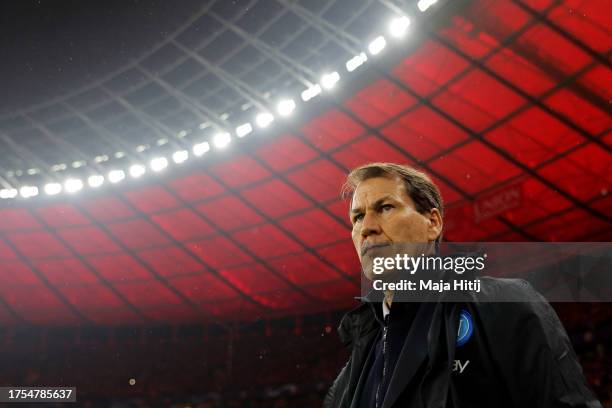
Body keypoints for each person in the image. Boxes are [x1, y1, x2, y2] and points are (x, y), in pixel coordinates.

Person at [323, 162, 601, 408]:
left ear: (433, 222)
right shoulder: (350, 374)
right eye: (357, 216)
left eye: (385, 207)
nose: (366, 227)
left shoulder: (502, 305)